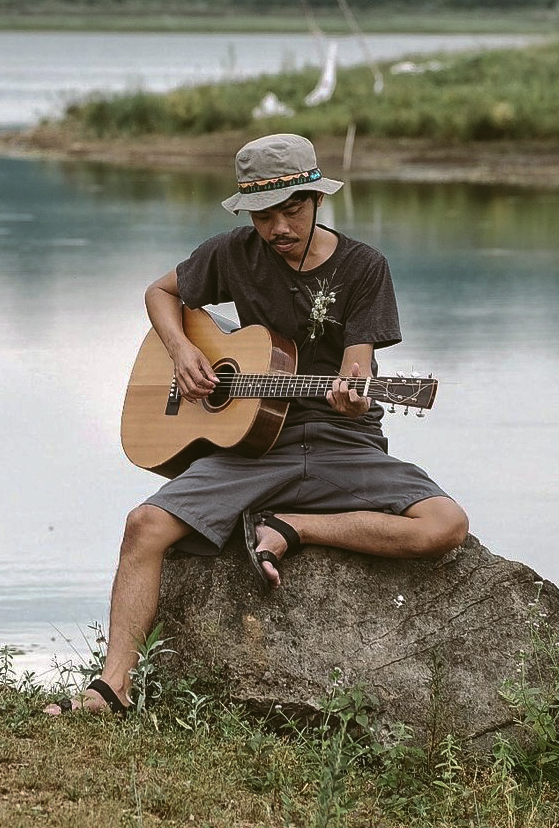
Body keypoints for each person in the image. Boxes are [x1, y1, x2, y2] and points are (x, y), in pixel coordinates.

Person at [47, 132, 468, 718]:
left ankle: (295, 527)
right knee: (143, 525)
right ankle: (112, 689)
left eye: (291, 210)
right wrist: (182, 352)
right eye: (263, 216)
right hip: (254, 443)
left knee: (446, 524)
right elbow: (159, 292)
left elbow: (357, 369)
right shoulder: (232, 253)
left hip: (342, 440)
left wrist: (353, 398)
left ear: (317, 199)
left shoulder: (363, 267)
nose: (278, 228)